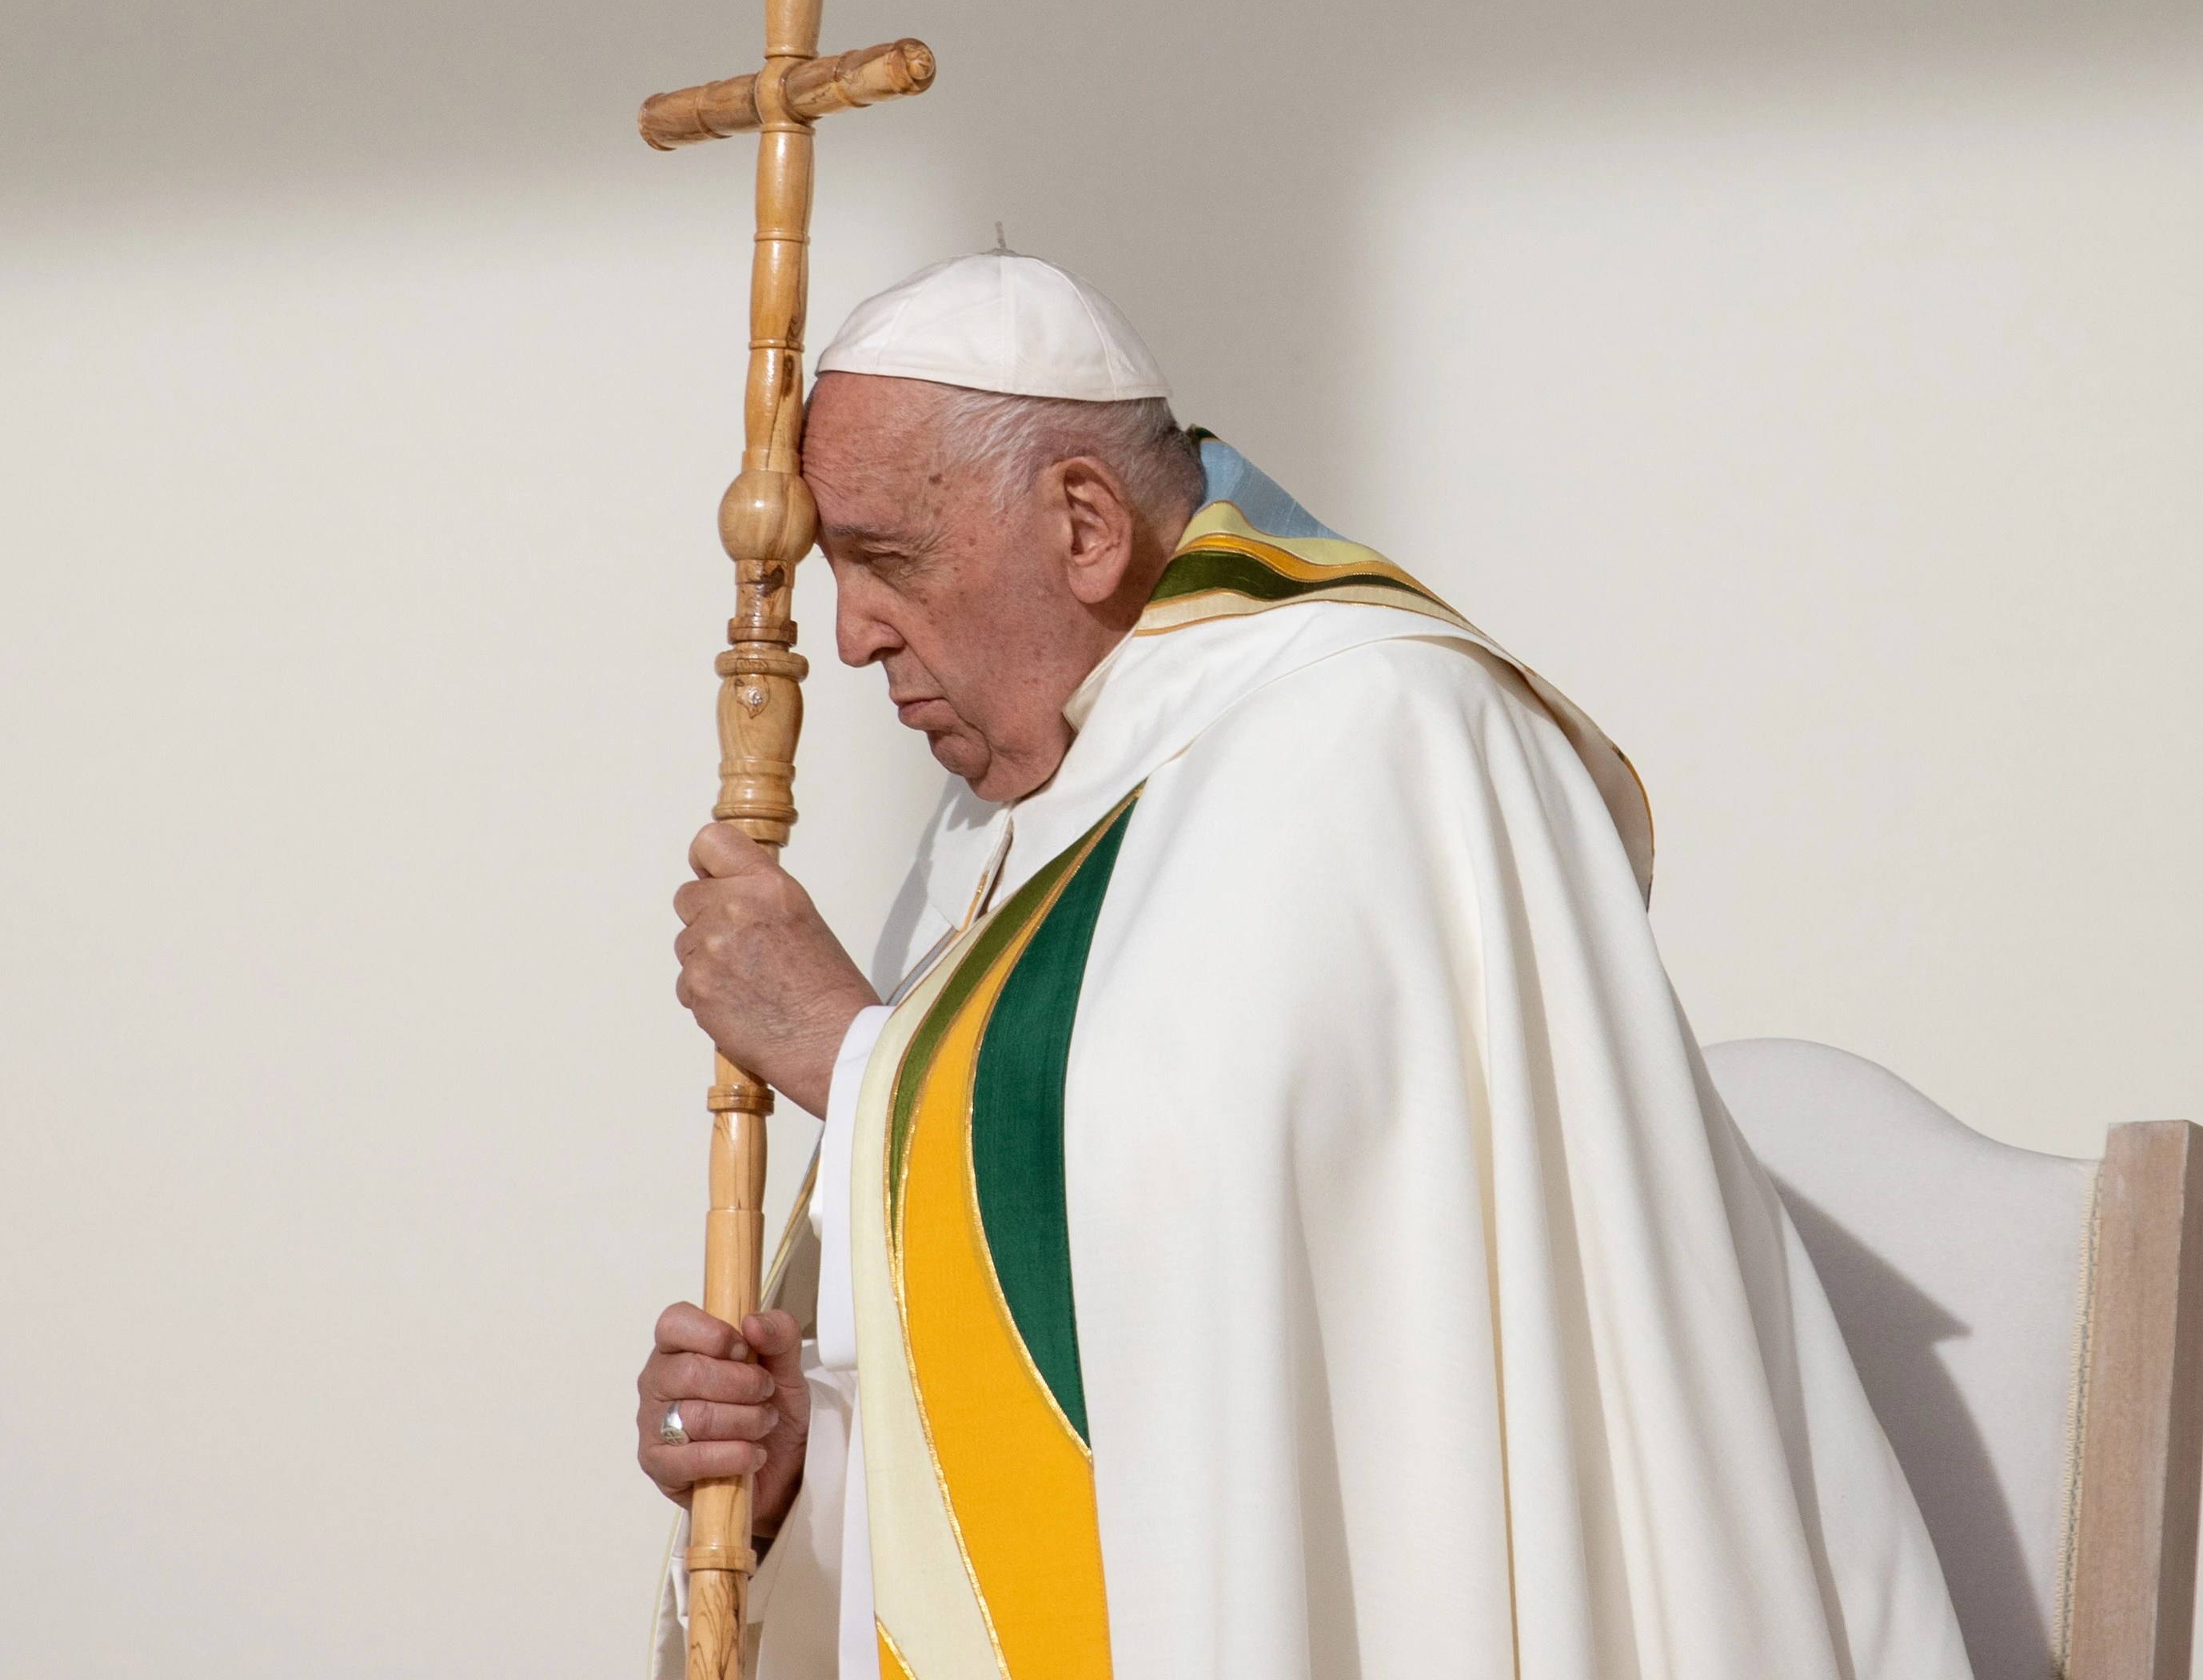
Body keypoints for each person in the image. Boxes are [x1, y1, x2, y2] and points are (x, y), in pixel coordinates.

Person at [633, 252, 1970, 1680]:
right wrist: (793, 1463)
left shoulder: (1375, 725)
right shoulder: (1005, 823)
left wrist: (850, 1051)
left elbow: (1227, 1244)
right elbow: (1104, 1373)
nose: (848, 636)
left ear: (1084, 522)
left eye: (887, 558)